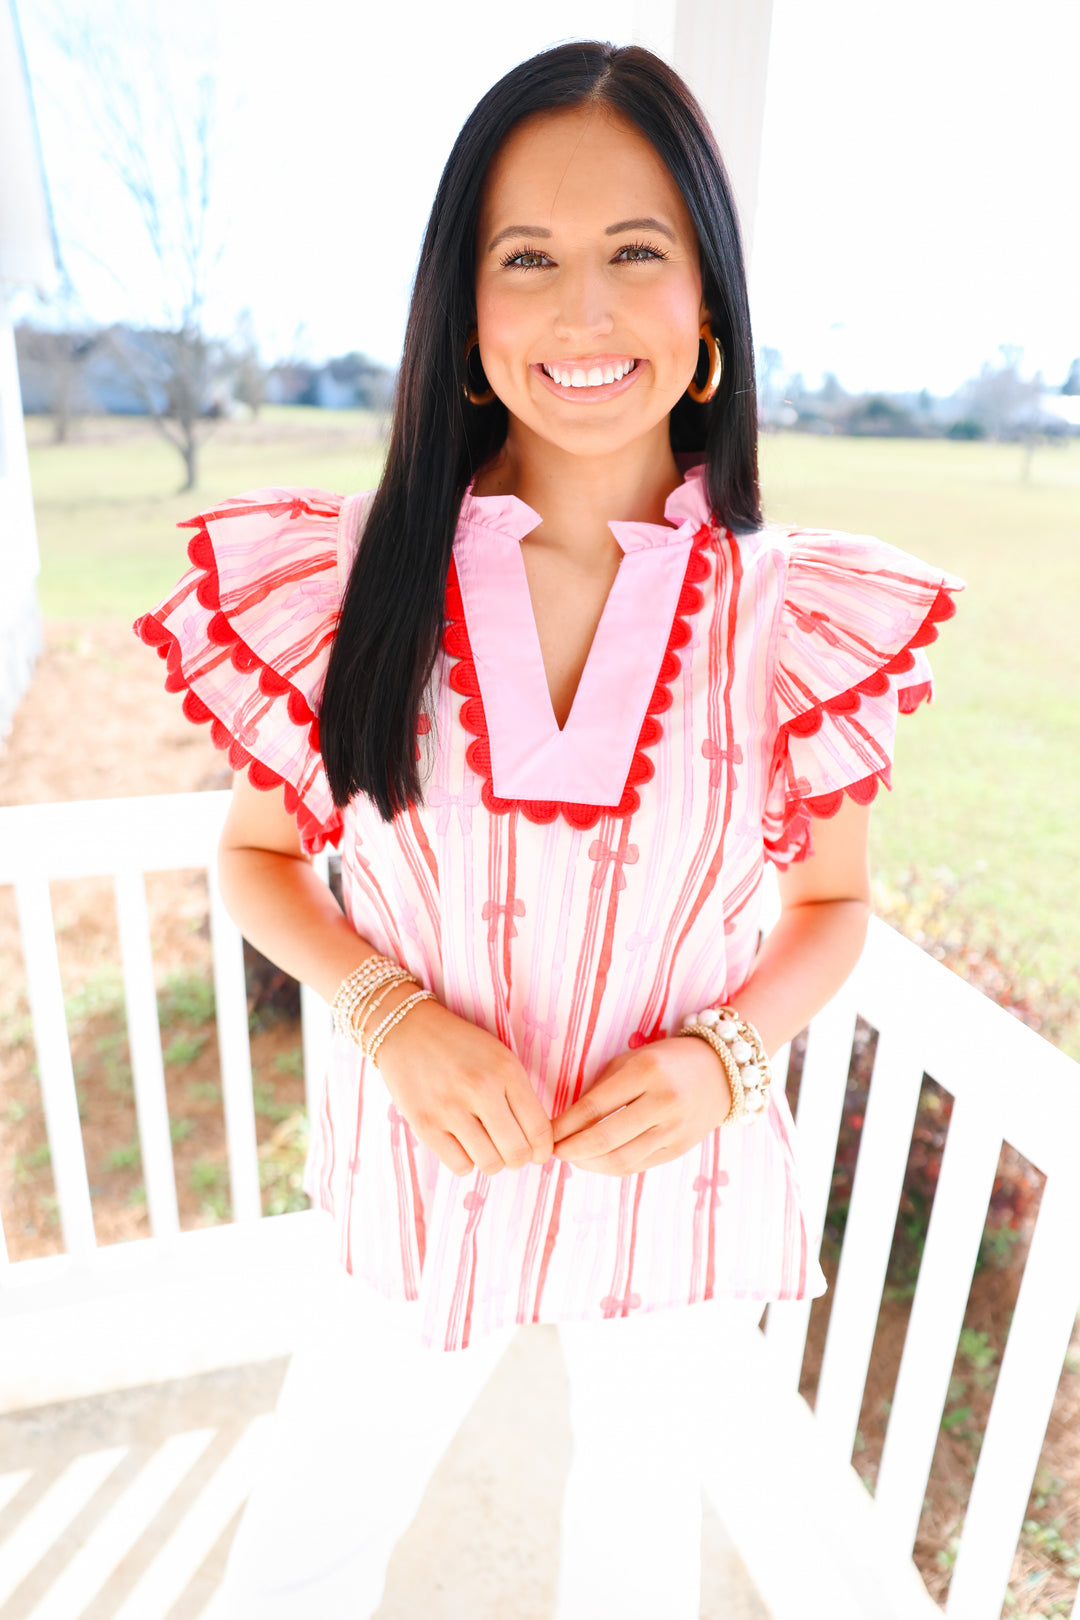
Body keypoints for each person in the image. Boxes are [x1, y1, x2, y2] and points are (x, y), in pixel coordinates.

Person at [135, 39, 963, 1620]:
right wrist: (391, 1018)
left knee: (635, 1554)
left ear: (708, 305)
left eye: (635, 254)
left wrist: (723, 1059)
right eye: (529, 261)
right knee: (309, 1538)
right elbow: (252, 861)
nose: (583, 313)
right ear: (466, 316)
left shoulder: (797, 615)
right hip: (417, 1164)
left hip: (673, 1180)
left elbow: (831, 911)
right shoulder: (355, 574)